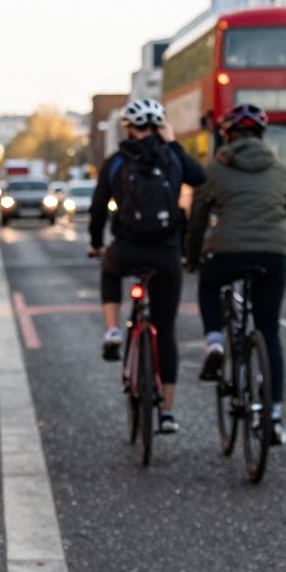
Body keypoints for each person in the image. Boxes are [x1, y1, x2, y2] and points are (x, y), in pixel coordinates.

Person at [89, 98, 207, 434]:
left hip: (127, 249)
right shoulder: (172, 157)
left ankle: (112, 331)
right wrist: (173, 143)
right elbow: (199, 178)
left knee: (109, 270)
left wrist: (96, 243)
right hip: (166, 254)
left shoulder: (116, 161)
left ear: (128, 128)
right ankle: (167, 412)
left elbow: (98, 208)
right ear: (159, 127)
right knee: (165, 331)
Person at [185, 103, 286, 446]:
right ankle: (273, 417)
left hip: (227, 251)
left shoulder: (215, 169)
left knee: (208, 285)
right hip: (273, 254)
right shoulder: (280, 168)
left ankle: (215, 342)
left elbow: (198, 218)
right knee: (269, 330)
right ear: (262, 136)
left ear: (227, 136)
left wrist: (192, 257)